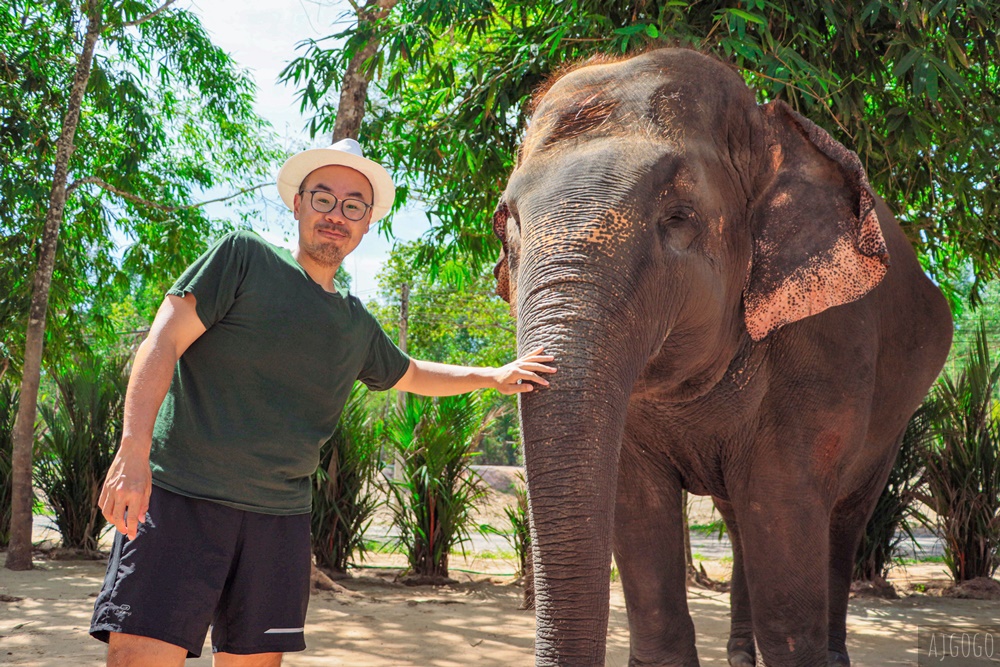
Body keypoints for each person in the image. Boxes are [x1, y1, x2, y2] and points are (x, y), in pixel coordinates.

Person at [90, 138, 554, 667]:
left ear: (366, 222)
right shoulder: (242, 258)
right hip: (182, 499)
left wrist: (493, 375)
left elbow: (412, 372)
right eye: (323, 199)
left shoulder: (355, 324)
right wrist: (132, 452)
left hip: (279, 523)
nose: (337, 215)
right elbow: (162, 341)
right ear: (298, 204)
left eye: (353, 205)